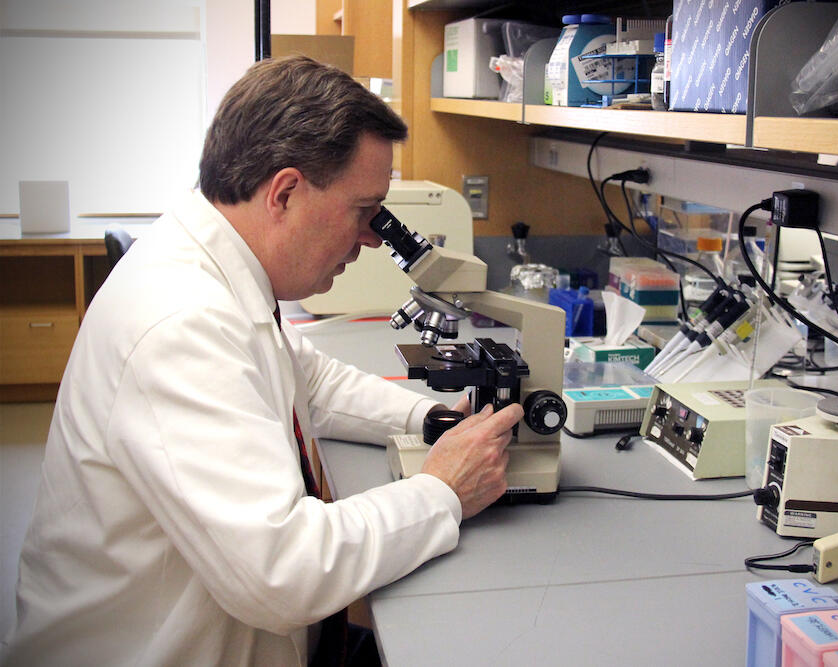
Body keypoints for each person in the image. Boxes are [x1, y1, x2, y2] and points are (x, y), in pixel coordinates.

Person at [4, 55, 521, 666]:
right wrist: (442, 490)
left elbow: (310, 381)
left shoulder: (217, 268)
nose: (375, 238)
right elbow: (283, 572)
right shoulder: (181, 321)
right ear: (284, 193)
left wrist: (433, 420)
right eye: (365, 211)